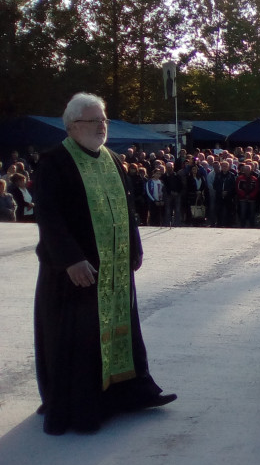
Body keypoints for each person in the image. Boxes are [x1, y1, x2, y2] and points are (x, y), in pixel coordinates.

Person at [33, 93, 176, 435]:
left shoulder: (112, 159)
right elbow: (50, 218)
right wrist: (71, 259)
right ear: (71, 126)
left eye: (104, 120)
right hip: (74, 275)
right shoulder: (54, 162)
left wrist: (135, 247)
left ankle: (126, 392)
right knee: (78, 341)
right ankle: (82, 405)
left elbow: (127, 210)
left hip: (114, 272)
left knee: (120, 334)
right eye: (92, 121)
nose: (101, 126)